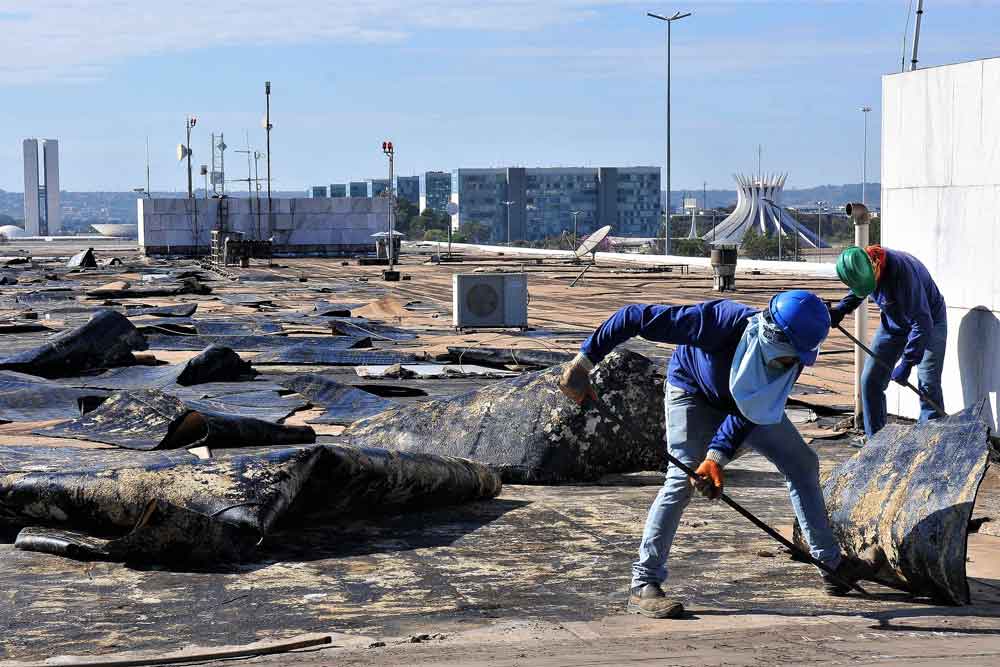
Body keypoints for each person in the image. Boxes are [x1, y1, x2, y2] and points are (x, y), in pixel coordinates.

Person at [559, 291, 855, 619]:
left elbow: (751, 411)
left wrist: (716, 456)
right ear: (773, 334)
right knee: (680, 479)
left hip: (738, 408)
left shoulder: (793, 355)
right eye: (789, 357)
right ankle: (643, 583)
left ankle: (830, 566)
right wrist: (583, 362)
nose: (791, 364)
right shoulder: (718, 323)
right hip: (693, 393)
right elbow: (634, 317)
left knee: (802, 462)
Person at [829, 245, 947, 438]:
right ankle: (875, 442)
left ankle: (930, 441)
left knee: (927, 383)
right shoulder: (863, 267)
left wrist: (908, 363)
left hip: (930, 322)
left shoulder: (903, 275)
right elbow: (860, 289)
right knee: (870, 380)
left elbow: (922, 323)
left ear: (875, 265)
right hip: (894, 322)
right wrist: (841, 309)